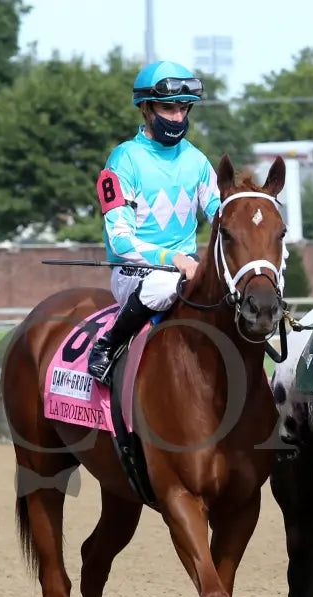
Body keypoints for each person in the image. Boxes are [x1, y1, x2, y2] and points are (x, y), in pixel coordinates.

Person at [85, 60, 220, 385]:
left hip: (189, 271)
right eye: (168, 108)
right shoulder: (124, 159)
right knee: (164, 284)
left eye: (184, 109)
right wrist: (171, 258)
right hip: (135, 273)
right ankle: (107, 344)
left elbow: (220, 213)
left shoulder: (197, 161)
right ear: (146, 108)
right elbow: (120, 240)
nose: (177, 117)